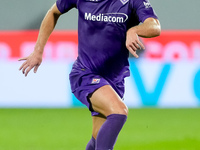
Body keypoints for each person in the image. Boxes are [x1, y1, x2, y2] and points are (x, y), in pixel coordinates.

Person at [19, 0, 161, 149]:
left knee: (97, 138)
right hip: (85, 74)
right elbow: (53, 12)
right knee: (119, 112)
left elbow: (155, 26)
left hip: (114, 79)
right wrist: (38, 51)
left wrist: (134, 30)